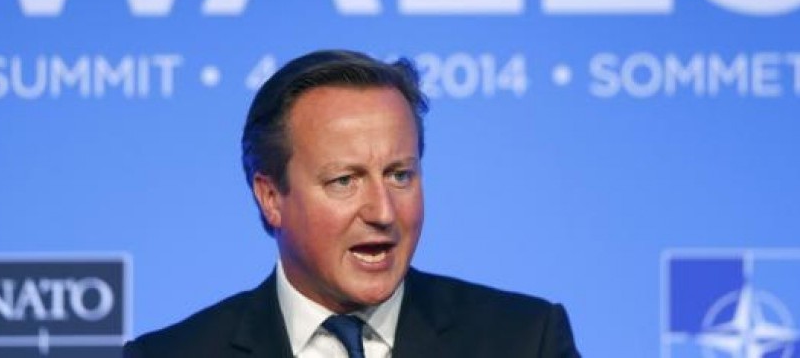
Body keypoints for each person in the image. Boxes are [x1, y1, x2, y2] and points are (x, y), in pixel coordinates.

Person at [123, 49, 581, 357]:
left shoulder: (523, 341)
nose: (382, 212)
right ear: (270, 197)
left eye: (400, 175)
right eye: (345, 181)